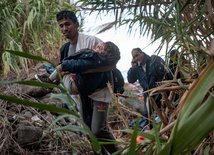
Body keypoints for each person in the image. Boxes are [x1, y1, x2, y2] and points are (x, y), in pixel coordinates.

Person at [37, 10, 121, 155]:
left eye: (67, 24)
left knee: (99, 129)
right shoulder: (65, 49)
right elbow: (63, 69)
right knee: (88, 130)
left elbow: (111, 64)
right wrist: (52, 84)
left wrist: (86, 71)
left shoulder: (92, 41)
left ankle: (117, 153)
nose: (64, 28)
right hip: (82, 92)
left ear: (76, 24)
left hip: (100, 91)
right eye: (61, 26)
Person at [127, 48, 173, 118]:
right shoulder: (137, 68)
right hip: (148, 96)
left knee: (166, 113)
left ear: (142, 53)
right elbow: (131, 80)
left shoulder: (154, 60)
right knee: (148, 116)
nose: (136, 58)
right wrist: (133, 67)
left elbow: (166, 74)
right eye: (134, 57)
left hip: (160, 92)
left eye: (137, 55)